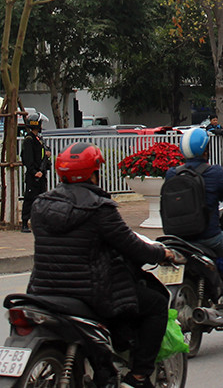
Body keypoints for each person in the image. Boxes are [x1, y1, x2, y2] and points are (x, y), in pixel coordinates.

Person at [29, 142, 176, 388]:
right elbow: (132, 246)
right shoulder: (99, 208)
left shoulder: (40, 205)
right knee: (157, 304)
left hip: (42, 290)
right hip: (91, 293)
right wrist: (161, 253)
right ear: (94, 173)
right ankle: (138, 376)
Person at [165, 127, 223, 310]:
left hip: (176, 238)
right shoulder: (214, 173)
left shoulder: (172, 174)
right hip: (208, 237)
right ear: (206, 150)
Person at [20, 112, 49, 233]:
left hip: (41, 174)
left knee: (42, 199)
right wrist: (34, 172)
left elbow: (43, 154)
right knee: (29, 199)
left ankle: (41, 222)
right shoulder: (29, 140)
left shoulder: (39, 139)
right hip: (33, 176)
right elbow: (28, 158)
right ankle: (25, 223)